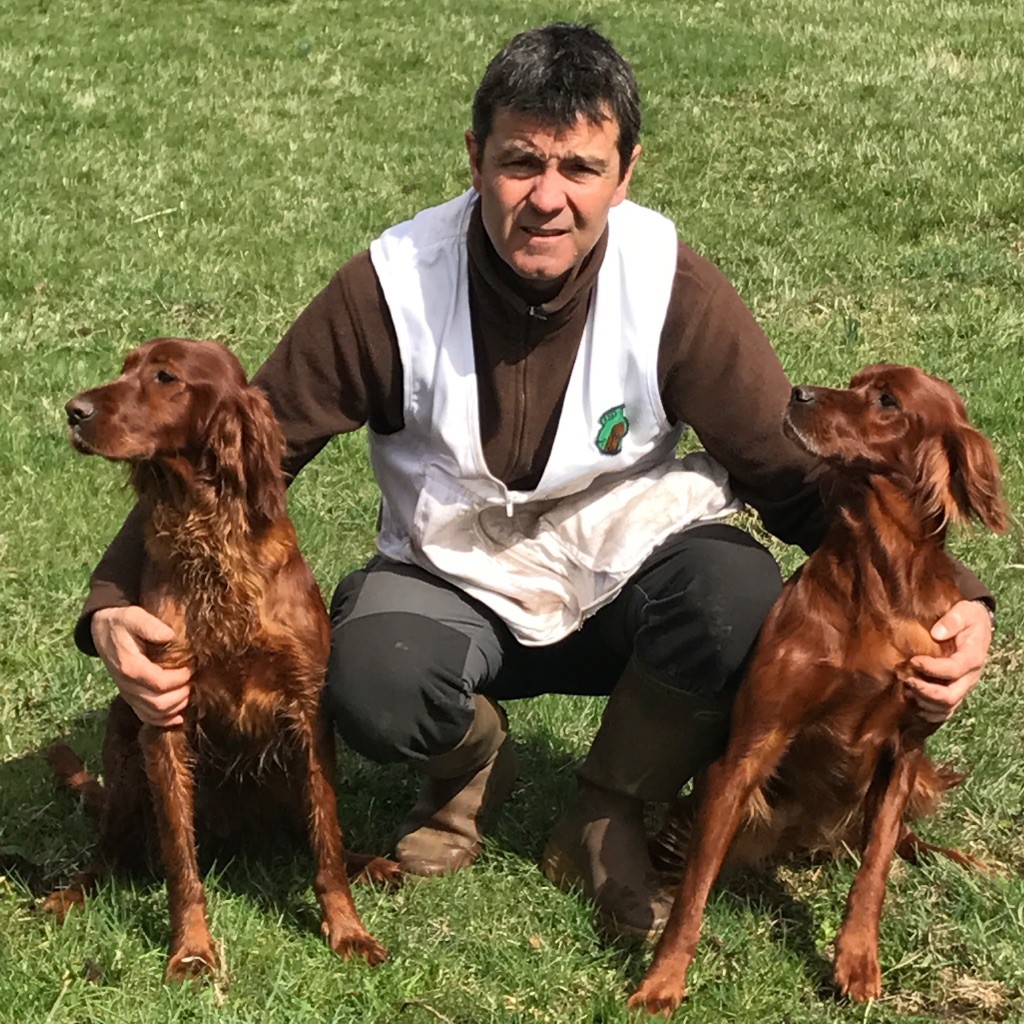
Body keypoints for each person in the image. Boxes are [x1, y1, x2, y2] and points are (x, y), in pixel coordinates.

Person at [76, 23, 995, 939]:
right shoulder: (390, 285)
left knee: (737, 591)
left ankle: (606, 808)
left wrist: (960, 603)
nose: (547, 199)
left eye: (581, 169)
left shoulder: (673, 286)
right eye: (521, 163)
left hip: (622, 587)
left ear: (626, 173)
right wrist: (116, 603)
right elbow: (236, 450)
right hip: (451, 582)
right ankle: (470, 767)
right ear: (475, 156)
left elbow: (793, 481)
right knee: (369, 675)